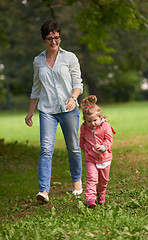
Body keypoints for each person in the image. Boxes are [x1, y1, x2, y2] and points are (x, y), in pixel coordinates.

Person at [25, 20, 83, 202]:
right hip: (47, 110)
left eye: (56, 38)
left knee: (73, 148)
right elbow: (36, 88)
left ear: (60, 37)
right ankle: (44, 191)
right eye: (50, 38)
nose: (54, 42)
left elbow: (78, 84)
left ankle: (77, 182)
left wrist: (73, 99)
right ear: (44, 40)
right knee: (46, 149)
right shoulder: (38, 61)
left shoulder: (70, 58)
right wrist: (30, 112)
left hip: (68, 109)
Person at [80, 95, 116, 208]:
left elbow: (109, 139)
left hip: (105, 157)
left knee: (103, 180)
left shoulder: (106, 126)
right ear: (85, 121)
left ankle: (101, 194)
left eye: (95, 120)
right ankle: (90, 199)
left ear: (100, 117)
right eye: (89, 121)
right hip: (91, 158)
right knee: (92, 178)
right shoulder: (84, 127)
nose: (93, 123)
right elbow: (82, 138)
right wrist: (83, 148)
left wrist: (104, 147)